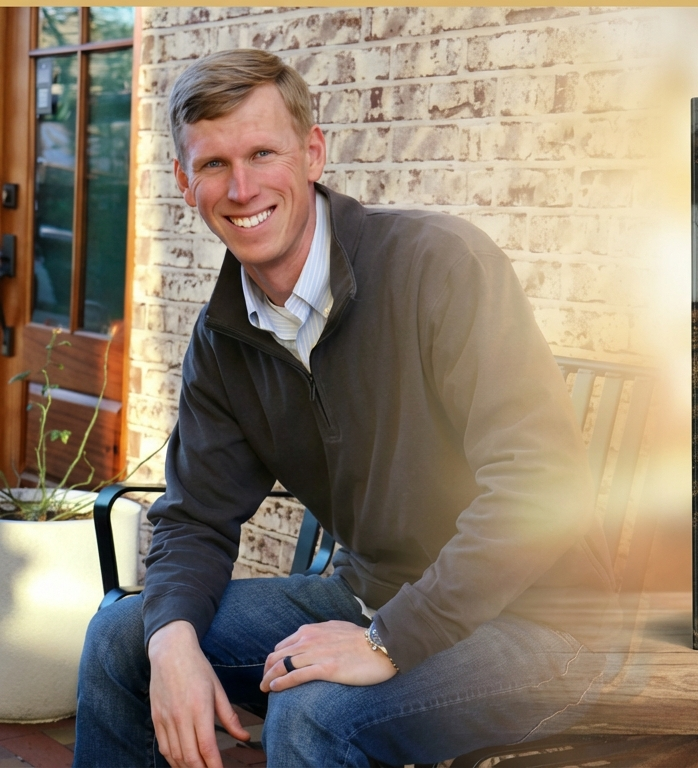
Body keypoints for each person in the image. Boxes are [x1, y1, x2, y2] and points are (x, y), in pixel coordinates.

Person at [74, 50, 614, 768]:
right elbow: (196, 517)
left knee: (312, 706)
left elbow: (541, 483)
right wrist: (171, 641)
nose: (241, 187)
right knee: (125, 637)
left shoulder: (438, 265)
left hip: (542, 622)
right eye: (212, 165)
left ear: (312, 153)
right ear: (184, 181)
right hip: (370, 597)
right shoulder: (225, 337)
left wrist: (390, 639)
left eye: (263, 153)